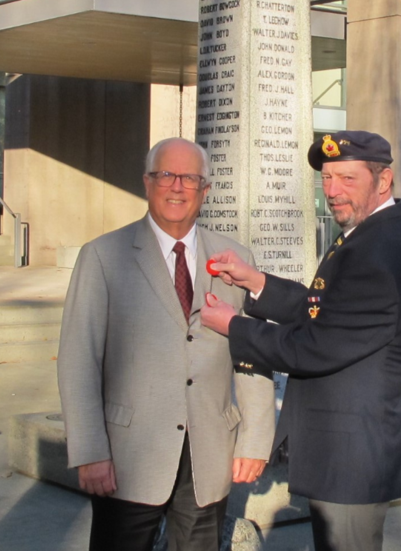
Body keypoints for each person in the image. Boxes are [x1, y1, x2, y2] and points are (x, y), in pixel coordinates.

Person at [201, 131, 401, 551]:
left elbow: (313, 346)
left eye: (347, 179)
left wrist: (233, 326)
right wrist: (257, 283)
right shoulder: (368, 235)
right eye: (326, 179)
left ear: (383, 181)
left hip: (351, 459)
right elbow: (321, 307)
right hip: (344, 452)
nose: (333, 191)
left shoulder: (378, 252)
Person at [57, 137, 275, 551]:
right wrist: (89, 451)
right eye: (166, 175)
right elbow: (78, 361)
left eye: (190, 178)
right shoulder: (103, 257)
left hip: (207, 456)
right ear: (147, 182)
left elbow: (253, 352)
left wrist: (255, 440)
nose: (177, 187)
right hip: (127, 458)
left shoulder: (234, 259)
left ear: (205, 190)